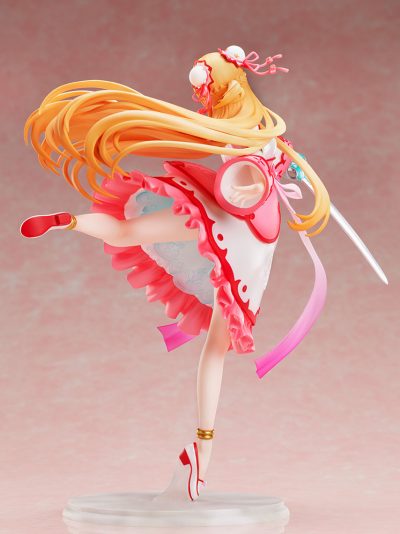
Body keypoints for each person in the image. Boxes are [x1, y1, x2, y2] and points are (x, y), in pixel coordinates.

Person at [20, 46, 330, 501]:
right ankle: (203, 450)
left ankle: (70, 222)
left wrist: (290, 170)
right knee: (217, 348)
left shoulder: (238, 127)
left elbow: (265, 176)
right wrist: (283, 169)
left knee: (126, 231)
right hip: (244, 244)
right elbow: (254, 179)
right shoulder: (247, 129)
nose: (203, 99)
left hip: (220, 220)